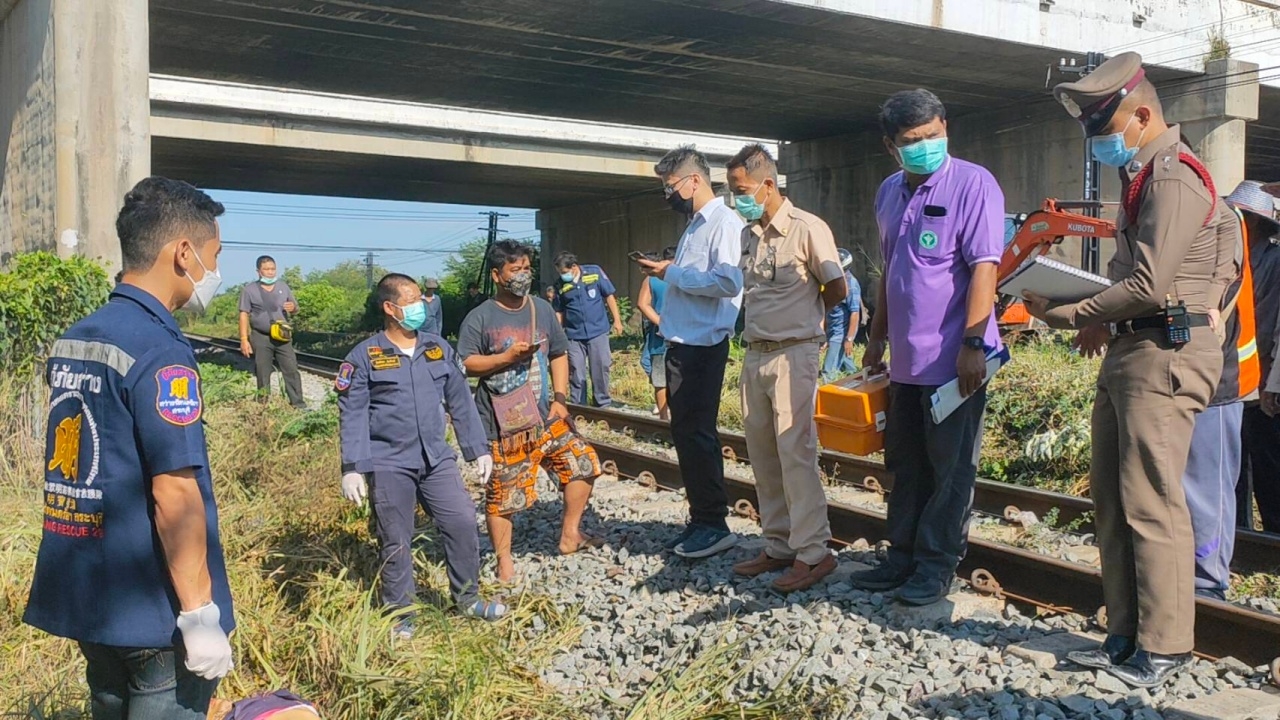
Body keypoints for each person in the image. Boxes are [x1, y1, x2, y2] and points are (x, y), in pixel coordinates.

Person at [1025, 52, 1230, 687]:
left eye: (1102, 126)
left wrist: (1065, 312)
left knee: (1152, 501)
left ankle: (1164, 645)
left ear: (1141, 115)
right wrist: (1098, 318)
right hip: (1133, 350)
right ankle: (1123, 634)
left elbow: (1148, 283)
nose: (1097, 140)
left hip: (1164, 354)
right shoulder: (1145, 179)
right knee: (1114, 498)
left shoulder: (1173, 178)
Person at [25, 176, 235, 718]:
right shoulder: (161, 352)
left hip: (88, 594)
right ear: (183, 253)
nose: (213, 271)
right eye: (213, 255)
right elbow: (174, 492)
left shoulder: (80, 334)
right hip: (153, 610)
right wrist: (199, 615)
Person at [848, 89, 1005, 607]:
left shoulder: (973, 184)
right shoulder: (890, 191)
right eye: (913, 141)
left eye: (934, 135)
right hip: (906, 363)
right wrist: (875, 337)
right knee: (906, 463)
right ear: (890, 144)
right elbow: (891, 271)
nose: (926, 147)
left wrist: (973, 344)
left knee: (950, 468)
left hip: (954, 362)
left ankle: (935, 568)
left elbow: (985, 266)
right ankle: (902, 556)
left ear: (945, 127)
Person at [336, 273, 507, 637]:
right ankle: (401, 614)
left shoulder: (437, 348)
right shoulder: (365, 356)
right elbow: (352, 413)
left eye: (420, 299)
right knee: (395, 538)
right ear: (390, 307)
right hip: (389, 462)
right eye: (412, 299)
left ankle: (467, 598)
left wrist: (477, 449)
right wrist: (352, 467)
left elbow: (460, 401)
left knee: (461, 521)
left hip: (436, 458)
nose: (421, 306)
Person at [727, 143, 845, 591]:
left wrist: (807, 319)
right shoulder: (748, 234)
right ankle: (778, 544)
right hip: (755, 353)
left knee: (795, 453)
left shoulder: (806, 228)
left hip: (795, 352)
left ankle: (814, 553)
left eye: (741, 189)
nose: (736, 197)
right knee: (762, 454)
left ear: (768, 185)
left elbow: (835, 286)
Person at [457, 240, 603, 584]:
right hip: (501, 424)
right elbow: (465, 363)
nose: (523, 275)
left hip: (544, 417)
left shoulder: (540, 308)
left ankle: (570, 535)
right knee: (503, 497)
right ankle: (504, 560)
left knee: (583, 463)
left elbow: (558, 353)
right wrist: (503, 359)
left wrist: (561, 398)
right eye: (515, 270)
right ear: (497, 275)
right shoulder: (480, 317)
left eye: (526, 268)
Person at [641, 145, 745, 559]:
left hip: (704, 344)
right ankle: (701, 517)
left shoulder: (724, 223)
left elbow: (728, 282)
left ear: (694, 180)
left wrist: (672, 273)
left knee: (698, 435)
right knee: (686, 434)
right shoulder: (694, 227)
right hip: (683, 343)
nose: (669, 195)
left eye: (671, 187)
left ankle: (713, 523)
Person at [1233, 182, 1280, 532]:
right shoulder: (1235, 259)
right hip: (1234, 380)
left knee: (1266, 463)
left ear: (1253, 222)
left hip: (1261, 378)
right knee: (1236, 463)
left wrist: (1267, 381)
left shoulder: (1273, 262)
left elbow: (1266, 324)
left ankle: (1272, 535)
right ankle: (1242, 534)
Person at [552, 251, 624, 407]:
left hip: (597, 331)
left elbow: (609, 295)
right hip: (573, 335)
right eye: (560, 273)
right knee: (576, 371)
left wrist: (617, 321)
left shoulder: (594, 273)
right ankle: (579, 405)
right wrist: (558, 333)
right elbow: (559, 311)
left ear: (574, 267)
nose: (562, 275)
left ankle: (602, 403)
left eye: (564, 272)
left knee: (600, 367)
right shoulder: (560, 285)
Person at [238, 255, 306, 409]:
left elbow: (295, 308)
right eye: (266, 269)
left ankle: (298, 403)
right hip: (261, 336)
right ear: (258, 271)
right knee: (263, 370)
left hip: (282, 335)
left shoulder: (283, 287)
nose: (270, 272)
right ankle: (263, 404)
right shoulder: (249, 290)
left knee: (291, 368)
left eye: (273, 269)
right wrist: (244, 339)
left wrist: (293, 308)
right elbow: (243, 314)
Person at [637, 247, 676, 420]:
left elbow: (642, 304)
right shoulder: (686, 276)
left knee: (660, 379)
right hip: (686, 336)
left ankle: (663, 417)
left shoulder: (652, 279)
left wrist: (660, 322)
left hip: (659, 336)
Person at [822, 248, 863, 382]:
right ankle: (858, 379)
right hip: (832, 329)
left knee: (828, 371)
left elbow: (855, 313)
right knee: (850, 369)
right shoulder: (832, 282)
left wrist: (849, 339)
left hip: (840, 334)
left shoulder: (851, 285)